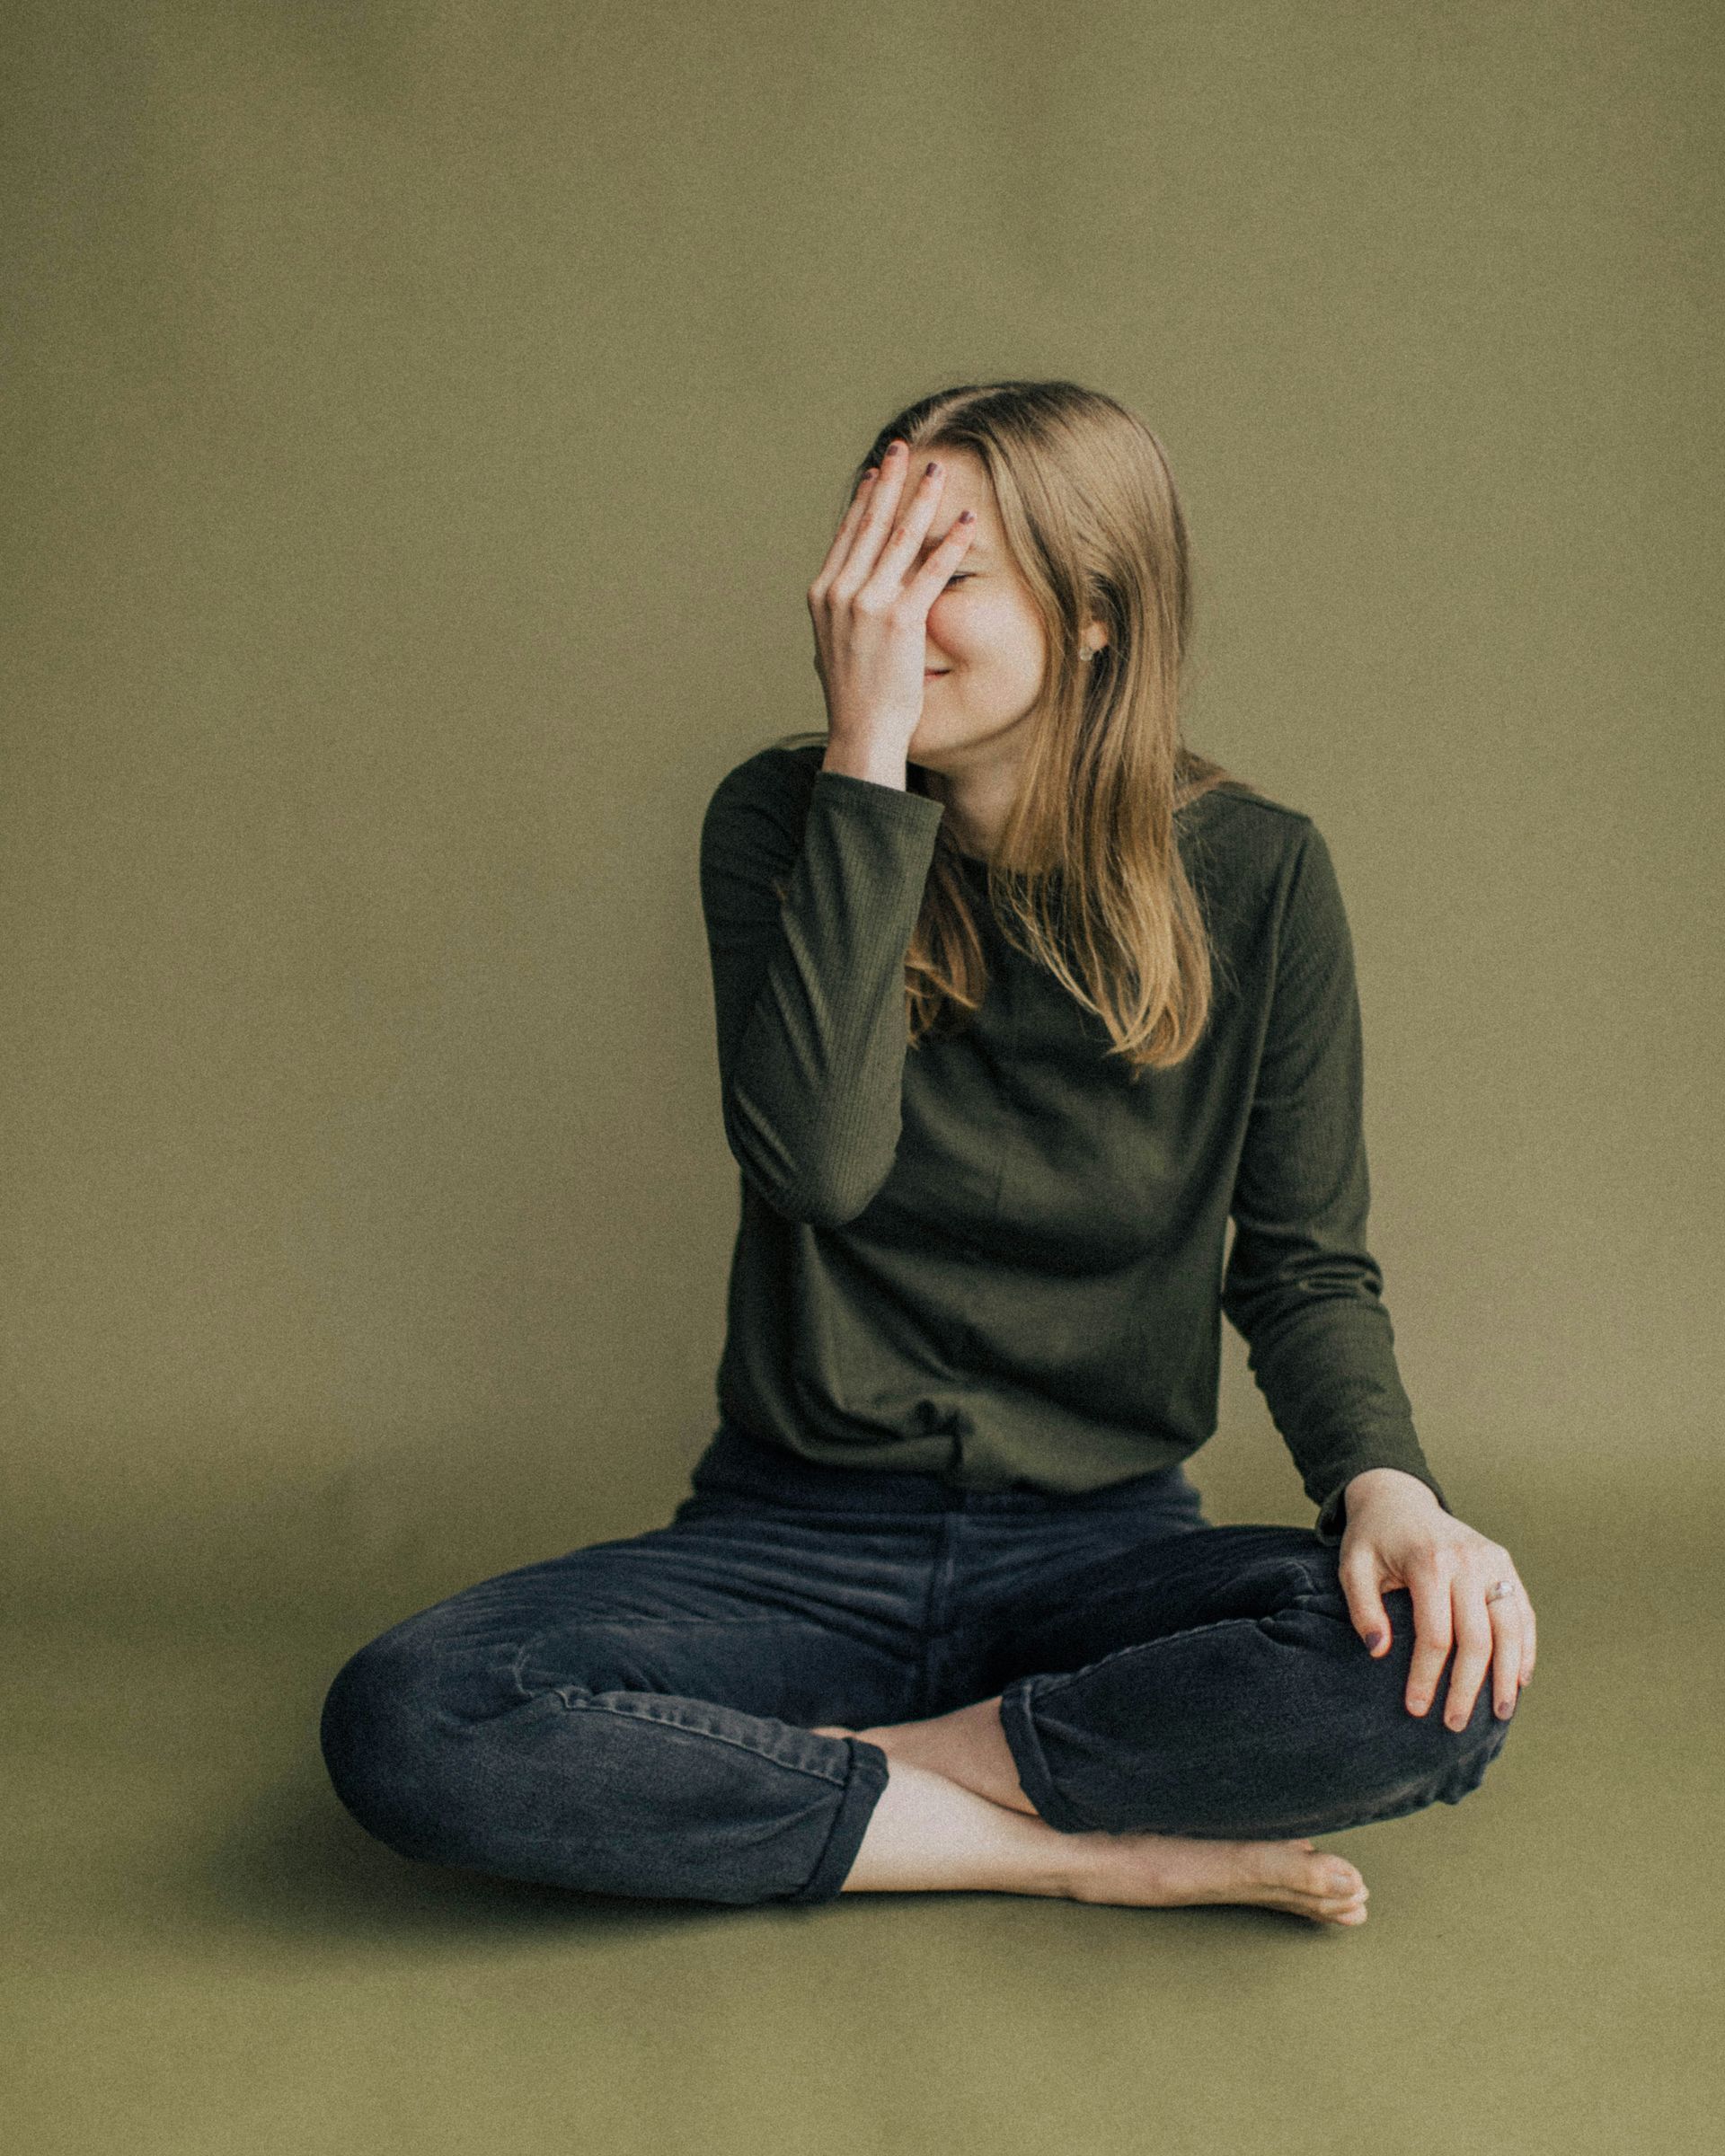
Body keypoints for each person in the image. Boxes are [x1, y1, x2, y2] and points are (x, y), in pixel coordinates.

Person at [319, 379, 1535, 1928]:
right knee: (413, 1721)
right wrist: (866, 756)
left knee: (1441, 1669)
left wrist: (1393, 1493)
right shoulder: (787, 819)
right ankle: (1047, 1846)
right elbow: (817, 1166)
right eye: (865, 563)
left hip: (1102, 1552)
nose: (877, 615)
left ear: (1096, 612)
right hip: (794, 1543)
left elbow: (1303, 1266)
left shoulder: (1262, 873)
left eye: (939, 570)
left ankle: (867, 1779)